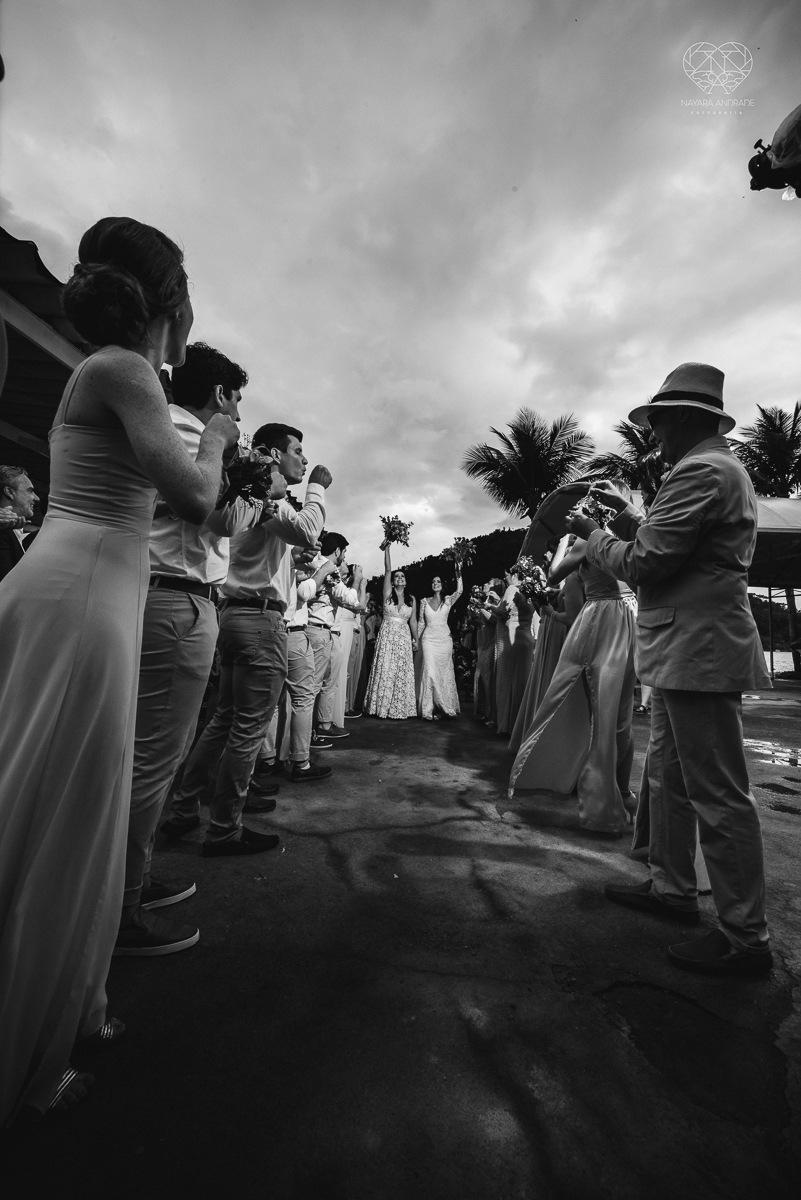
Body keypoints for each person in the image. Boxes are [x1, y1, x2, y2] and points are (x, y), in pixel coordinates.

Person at [0, 216, 239, 1124]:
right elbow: (194, 494)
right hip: (83, 594)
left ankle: (76, 1005)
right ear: (171, 300)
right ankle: (28, 1055)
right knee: (62, 818)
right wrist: (216, 433)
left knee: (81, 811)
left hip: (89, 586)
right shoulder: (124, 368)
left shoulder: (111, 373)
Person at [572, 362, 773, 976]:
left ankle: (745, 937)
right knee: (670, 777)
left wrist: (597, 533)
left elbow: (650, 562)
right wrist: (629, 517)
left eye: (658, 422)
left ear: (687, 419)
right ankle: (672, 888)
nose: (654, 435)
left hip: (699, 652)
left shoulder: (703, 470)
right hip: (686, 650)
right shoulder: (713, 469)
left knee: (716, 792)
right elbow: (672, 542)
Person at [116, 342, 276, 957]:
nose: (239, 412)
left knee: (156, 751)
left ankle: (136, 874)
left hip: (171, 594)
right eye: (238, 399)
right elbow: (211, 514)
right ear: (220, 397)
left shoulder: (174, 430)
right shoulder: (187, 431)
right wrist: (243, 476)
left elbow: (221, 520)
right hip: (176, 596)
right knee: (152, 758)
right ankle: (122, 907)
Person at [161, 423, 330, 855]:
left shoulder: (252, 495)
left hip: (235, 613)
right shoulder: (264, 495)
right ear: (274, 454)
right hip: (259, 619)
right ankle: (223, 828)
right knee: (247, 728)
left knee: (223, 721)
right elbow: (310, 529)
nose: (304, 460)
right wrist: (317, 489)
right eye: (298, 451)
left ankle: (182, 812)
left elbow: (285, 543)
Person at [508, 525, 637, 836]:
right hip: (630, 620)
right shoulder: (625, 539)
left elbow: (553, 574)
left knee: (597, 711)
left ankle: (603, 796)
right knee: (621, 717)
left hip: (601, 620)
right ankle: (623, 790)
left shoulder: (586, 541)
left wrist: (568, 539)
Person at [508, 568, 583, 755]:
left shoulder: (574, 578)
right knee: (544, 681)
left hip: (560, 630)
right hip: (550, 627)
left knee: (552, 681)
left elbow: (573, 615)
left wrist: (552, 613)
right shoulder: (571, 579)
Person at [364, 543, 418, 719]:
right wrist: (387, 548)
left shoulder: (411, 599)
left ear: (406, 581)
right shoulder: (388, 594)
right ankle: (381, 707)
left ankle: (400, 707)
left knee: (400, 671)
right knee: (386, 668)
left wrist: (415, 639)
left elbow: (413, 621)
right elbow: (388, 570)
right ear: (393, 581)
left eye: (402, 576)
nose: (399, 578)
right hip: (387, 634)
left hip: (403, 636)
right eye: (397, 576)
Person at [417, 568, 463, 720]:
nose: (435, 584)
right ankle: (427, 710)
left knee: (443, 673)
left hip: (444, 640)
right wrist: (416, 640)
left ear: (442, 585)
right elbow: (421, 623)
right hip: (429, 640)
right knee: (430, 673)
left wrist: (458, 572)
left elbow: (460, 590)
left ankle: (444, 706)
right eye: (433, 582)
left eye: (438, 582)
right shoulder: (424, 601)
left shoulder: (448, 600)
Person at [0, 465, 38, 580]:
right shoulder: (2, 533)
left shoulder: (17, 534)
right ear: (10, 492)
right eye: (30, 491)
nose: (36, 498)